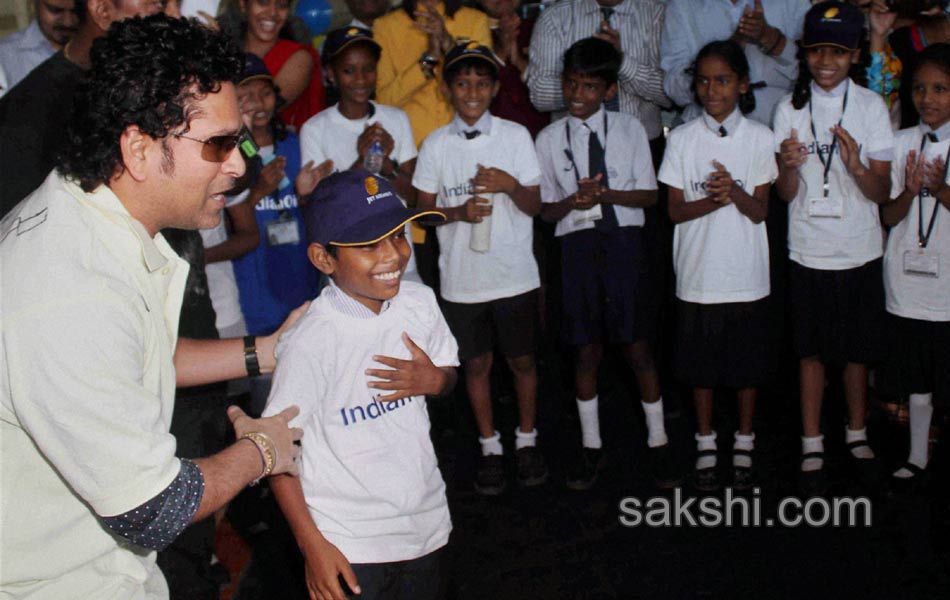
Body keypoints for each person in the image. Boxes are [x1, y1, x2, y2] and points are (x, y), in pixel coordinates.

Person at [0, 15, 304, 597]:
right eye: (218, 144)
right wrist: (263, 450)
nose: (240, 165)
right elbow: (152, 510)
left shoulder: (87, 211)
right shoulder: (72, 288)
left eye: (238, 140)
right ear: (139, 148)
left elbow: (139, 355)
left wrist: (269, 351)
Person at [267, 169, 457, 600]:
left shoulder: (420, 303)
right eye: (370, 245)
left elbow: (448, 378)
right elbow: (277, 457)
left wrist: (436, 380)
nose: (393, 255)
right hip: (349, 542)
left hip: (426, 525)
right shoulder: (310, 341)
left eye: (398, 236)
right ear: (323, 259)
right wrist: (312, 545)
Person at [535, 38, 673, 491]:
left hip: (624, 243)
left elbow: (651, 196)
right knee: (586, 347)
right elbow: (546, 210)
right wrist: (573, 201)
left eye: (590, 87)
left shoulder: (631, 129)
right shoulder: (550, 138)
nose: (578, 94)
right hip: (576, 247)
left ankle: (659, 439)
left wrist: (606, 194)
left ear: (608, 91)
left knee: (636, 345)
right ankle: (591, 444)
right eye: (571, 84)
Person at [413, 42, 546, 495]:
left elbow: (535, 205)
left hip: (514, 273)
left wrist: (509, 185)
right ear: (449, 88)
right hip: (463, 280)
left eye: (482, 82)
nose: (473, 91)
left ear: (494, 88)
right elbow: (422, 214)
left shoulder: (515, 136)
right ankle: (490, 446)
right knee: (476, 364)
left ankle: (526, 440)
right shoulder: (435, 144)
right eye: (463, 82)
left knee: (522, 359)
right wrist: (459, 213)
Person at [773, 1, 894, 493]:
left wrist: (857, 164)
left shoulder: (869, 107)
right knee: (811, 352)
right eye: (818, 51)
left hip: (860, 247)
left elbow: (882, 193)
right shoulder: (789, 108)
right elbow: (784, 195)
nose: (827, 62)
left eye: (839, 52)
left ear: (856, 54)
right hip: (808, 247)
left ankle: (858, 432)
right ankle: (811, 439)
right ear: (804, 53)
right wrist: (787, 166)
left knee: (857, 351)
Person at [658, 40, 776, 492]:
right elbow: (673, 210)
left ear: (742, 85)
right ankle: (705, 438)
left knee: (747, 368)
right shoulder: (683, 139)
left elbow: (761, 211)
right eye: (704, 81)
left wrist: (735, 193)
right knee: (700, 369)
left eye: (723, 80)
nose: (712, 90)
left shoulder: (761, 138)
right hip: (699, 276)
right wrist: (714, 198)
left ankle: (744, 438)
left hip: (747, 276)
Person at [228, 52, 329, 413]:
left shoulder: (296, 143)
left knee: (311, 385)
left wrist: (305, 195)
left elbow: (313, 212)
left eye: (265, 93)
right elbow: (223, 223)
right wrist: (257, 192)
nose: (258, 103)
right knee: (267, 396)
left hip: (300, 278)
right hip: (255, 286)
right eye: (245, 96)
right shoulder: (228, 151)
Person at [0, 0, 165, 218]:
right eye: (152, 1)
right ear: (102, 10)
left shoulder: (133, 82)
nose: (161, 9)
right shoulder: (33, 110)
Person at [299, 26, 422, 280]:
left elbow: (414, 198)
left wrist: (386, 165)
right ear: (331, 74)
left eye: (368, 69)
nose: (361, 79)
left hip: (399, 259)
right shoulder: (315, 128)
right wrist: (364, 161)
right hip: (348, 267)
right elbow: (325, 210)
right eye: (348, 70)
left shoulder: (397, 119)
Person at [881, 42, 950, 491]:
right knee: (917, 375)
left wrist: (940, 189)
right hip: (907, 282)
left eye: (941, 89)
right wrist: (909, 191)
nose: (927, 98)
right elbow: (887, 217)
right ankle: (917, 454)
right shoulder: (902, 141)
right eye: (920, 88)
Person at [526, 0, 669, 158]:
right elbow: (539, 96)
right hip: (571, 147)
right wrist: (590, 90)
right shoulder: (555, 17)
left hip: (642, 145)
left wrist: (621, 62)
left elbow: (671, 94)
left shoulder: (657, 15)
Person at [662, 0, 811, 127]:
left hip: (781, 130)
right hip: (705, 131)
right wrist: (728, 53)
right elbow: (675, 91)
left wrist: (771, 39)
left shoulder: (792, 3)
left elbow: (817, 71)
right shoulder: (682, 6)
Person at [373, 0, 492, 146]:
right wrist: (429, 61)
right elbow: (385, 101)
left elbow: (482, 88)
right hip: (409, 147)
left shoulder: (475, 20)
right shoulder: (386, 26)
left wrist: (448, 44)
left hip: (465, 141)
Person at [235, 0, 326, 130]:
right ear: (243, 5)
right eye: (263, 3)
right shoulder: (231, 53)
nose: (273, 12)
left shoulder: (300, 58)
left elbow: (259, 111)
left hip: (283, 147)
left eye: (282, 5)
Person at [480, 0, 549, 138]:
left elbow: (551, 88)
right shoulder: (469, 30)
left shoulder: (540, 28)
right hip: (486, 136)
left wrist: (519, 61)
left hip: (537, 133)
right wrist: (501, 51)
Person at [0, 0, 78, 94]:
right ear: (33, 3)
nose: (67, 22)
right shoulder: (5, 57)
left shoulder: (96, 50)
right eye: (55, 10)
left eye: (76, 11)